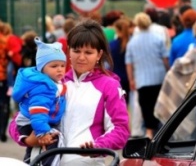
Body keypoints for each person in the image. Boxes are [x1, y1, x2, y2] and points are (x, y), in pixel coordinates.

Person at [9, 19, 130, 166]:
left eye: (88, 52)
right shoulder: (51, 83)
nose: (81, 57)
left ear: (99, 54)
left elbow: (120, 130)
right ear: (68, 51)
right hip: (41, 161)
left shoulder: (109, 85)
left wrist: (96, 146)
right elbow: (18, 120)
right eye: (76, 50)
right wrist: (28, 139)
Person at [12, 37, 67, 165]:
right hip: (33, 122)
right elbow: (38, 111)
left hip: (34, 121)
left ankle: (28, 160)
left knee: (35, 150)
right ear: (42, 68)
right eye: (54, 66)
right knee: (52, 141)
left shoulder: (53, 82)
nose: (59, 69)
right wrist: (43, 132)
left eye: (62, 65)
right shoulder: (44, 87)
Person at [125, 12, 169, 139]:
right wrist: (168, 70)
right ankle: (161, 130)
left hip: (142, 78)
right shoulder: (158, 39)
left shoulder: (132, 42)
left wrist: (131, 79)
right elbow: (165, 58)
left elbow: (129, 63)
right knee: (158, 104)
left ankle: (149, 131)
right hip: (159, 76)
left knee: (145, 106)